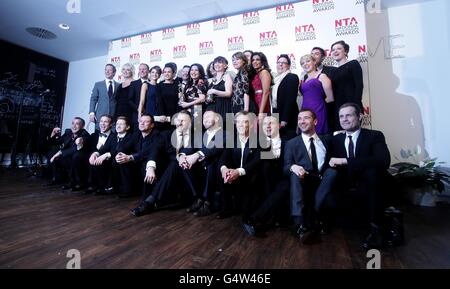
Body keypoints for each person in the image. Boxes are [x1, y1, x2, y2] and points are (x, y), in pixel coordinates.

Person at [329, 103, 391, 249]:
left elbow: (383, 161)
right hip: (347, 186)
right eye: (341, 116)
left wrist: (346, 161)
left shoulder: (374, 135)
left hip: (372, 184)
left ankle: (376, 230)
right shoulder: (335, 140)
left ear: (360, 117)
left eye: (349, 115)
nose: (344, 119)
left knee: (372, 171)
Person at [131, 110, 201, 216]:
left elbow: (191, 152)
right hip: (169, 171)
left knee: (176, 163)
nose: (180, 123)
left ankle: (150, 201)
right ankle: (152, 201)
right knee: (173, 164)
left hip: (190, 169)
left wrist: (182, 158)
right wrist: (150, 167)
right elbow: (155, 150)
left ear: (190, 123)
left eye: (183, 121)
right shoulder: (165, 135)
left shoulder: (197, 136)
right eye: (178, 120)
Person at [284, 109, 337, 244]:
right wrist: (292, 167)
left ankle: (312, 216)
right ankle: (300, 223)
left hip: (322, 182)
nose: (302, 121)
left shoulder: (326, 140)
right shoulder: (291, 143)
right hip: (304, 181)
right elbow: (285, 167)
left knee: (332, 172)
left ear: (315, 121)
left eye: (306, 118)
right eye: (299, 119)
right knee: (294, 175)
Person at [242, 116, 290, 236]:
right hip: (265, 178)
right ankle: (266, 218)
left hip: (285, 176)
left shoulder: (289, 139)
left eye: (271, 123)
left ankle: (256, 218)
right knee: (265, 166)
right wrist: (240, 171)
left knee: (285, 185)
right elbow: (255, 161)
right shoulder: (257, 142)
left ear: (279, 125)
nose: (268, 126)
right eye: (265, 124)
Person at [181, 110, 225, 217]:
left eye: (208, 116)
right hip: (202, 169)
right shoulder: (200, 135)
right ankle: (198, 198)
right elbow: (188, 148)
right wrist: (182, 156)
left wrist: (196, 155)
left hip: (217, 169)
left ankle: (208, 203)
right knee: (184, 164)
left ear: (217, 119)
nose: (204, 119)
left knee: (211, 162)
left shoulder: (225, 134)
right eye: (203, 118)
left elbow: (214, 149)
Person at [217, 111, 260, 220]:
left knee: (246, 214)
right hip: (234, 175)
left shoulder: (259, 140)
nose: (240, 125)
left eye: (244, 122)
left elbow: (256, 162)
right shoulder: (232, 139)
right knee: (220, 171)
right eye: (238, 122)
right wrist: (225, 170)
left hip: (250, 176)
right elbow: (224, 157)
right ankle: (226, 208)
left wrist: (238, 172)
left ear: (250, 124)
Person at [114, 113, 163, 198]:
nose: (142, 123)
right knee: (121, 160)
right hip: (137, 160)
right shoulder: (137, 134)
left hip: (151, 161)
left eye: (146, 122)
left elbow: (148, 151)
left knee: (145, 164)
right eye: (140, 121)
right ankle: (128, 191)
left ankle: (149, 197)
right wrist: (120, 154)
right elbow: (125, 146)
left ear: (152, 125)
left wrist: (130, 157)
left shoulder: (157, 135)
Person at [48, 117, 91, 191]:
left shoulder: (85, 134)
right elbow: (55, 142)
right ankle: (57, 178)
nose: (74, 126)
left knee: (75, 156)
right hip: (68, 156)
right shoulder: (68, 132)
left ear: (82, 126)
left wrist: (58, 154)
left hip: (80, 158)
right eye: (73, 123)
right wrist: (53, 133)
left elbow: (74, 149)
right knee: (51, 152)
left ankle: (76, 183)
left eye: (77, 124)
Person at [329, 40, 364, 130]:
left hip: (352, 104)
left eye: (339, 48)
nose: (335, 51)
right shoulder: (332, 71)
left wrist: (356, 106)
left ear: (345, 51)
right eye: (333, 50)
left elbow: (359, 85)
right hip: (337, 107)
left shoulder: (353, 64)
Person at [299, 54, 334, 134]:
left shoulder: (322, 76)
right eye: (302, 63)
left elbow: (330, 98)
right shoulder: (303, 80)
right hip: (304, 109)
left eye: (308, 61)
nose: (305, 64)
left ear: (314, 62)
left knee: (319, 133)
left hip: (318, 109)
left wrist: (319, 104)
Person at [85, 114, 115, 194]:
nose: (102, 123)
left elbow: (113, 150)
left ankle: (102, 187)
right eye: (101, 121)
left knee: (101, 163)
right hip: (93, 157)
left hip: (107, 159)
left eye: (106, 122)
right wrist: (93, 154)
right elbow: (89, 147)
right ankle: (90, 185)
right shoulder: (94, 135)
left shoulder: (114, 137)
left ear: (111, 124)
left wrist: (101, 156)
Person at [271, 54, 300, 138]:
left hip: (287, 115)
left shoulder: (292, 77)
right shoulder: (275, 80)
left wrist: (285, 119)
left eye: (283, 63)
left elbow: (290, 99)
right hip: (276, 113)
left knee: (288, 140)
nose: (280, 64)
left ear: (289, 65)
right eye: (279, 62)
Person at [89, 64, 120, 131]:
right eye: (106, 70)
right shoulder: (98, 84)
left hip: (113, 118)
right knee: (98, 138)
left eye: (109, 70)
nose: (107, 71)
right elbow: (93, 99)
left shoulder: (119, 85)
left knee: (112, 139)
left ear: (114, 72)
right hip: (100, 117)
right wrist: (92, 113)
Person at [206, 56, 233, 125]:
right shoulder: (210, 80)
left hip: (223, 105)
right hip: (211, 106)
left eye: (220, 62)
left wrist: (215, 91)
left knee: (223, 127)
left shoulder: (227, 76)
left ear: (225, 65)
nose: (217, 64)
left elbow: (228, 93)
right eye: (215, 63)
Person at [154, 63, 181, 131]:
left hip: (175, 114)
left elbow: (179, 101)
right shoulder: (159, 85)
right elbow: (159, 101)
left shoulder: (178, 85)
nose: (167, 74)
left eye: (169, 72)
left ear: (173, 74)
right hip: (163, 116)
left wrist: (177, 115)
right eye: (165, 72)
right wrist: (161, 114)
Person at [250, 52, 272, 123]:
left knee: (263, 128)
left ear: (262, 61)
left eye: (257, 60)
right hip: (255, 101)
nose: (254, 62)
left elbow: (266, 92)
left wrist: (261, 112)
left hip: (262, 101)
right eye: (253, 60)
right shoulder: (256, 73)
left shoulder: (264, 72)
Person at [128, 63, 150, 130]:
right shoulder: (134, 84)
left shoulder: (153, 83)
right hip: (137, 116)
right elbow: (130, 100)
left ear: (148, 71)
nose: (142, 71)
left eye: (144, 69)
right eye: (140, 69)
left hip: (150, 116)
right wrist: (139, 109)